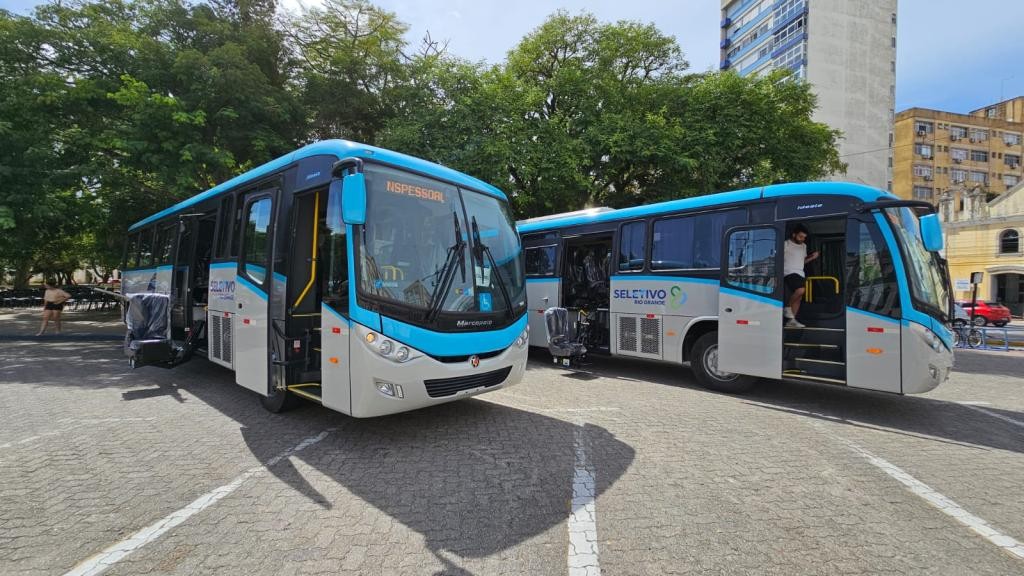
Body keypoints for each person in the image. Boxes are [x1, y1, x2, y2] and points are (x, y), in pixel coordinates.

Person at [783, 224, 819, 328]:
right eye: (800, 237)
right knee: (801, 290)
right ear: (794, 235)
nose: (803, 239)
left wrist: (812, 257)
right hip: (788, 272)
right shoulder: (786, 244)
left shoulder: (804, 246)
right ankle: (787, 308)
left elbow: (803, 261)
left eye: (804, 237)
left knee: (799, 298)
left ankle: (791, 321)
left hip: (800, 273)